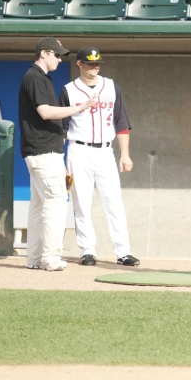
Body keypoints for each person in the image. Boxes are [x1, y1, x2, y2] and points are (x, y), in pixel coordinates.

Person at [19, 37, 98, 271]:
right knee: (55, 203)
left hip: (44, 151)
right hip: (42, 150)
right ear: (44, 53)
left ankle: (34, 259)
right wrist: (79, 108)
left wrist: (58, 157)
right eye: (56, 54)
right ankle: (49, 257)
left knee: (38, 205)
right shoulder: (34, 77)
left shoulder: (40, 78)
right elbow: (44, 112)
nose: (59, 59)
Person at [58, 47, 140, 267]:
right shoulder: (69, 90)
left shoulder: (110, 86)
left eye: (97, 63)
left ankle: (123, 252)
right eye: (90, 63)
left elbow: (122, 123)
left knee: (114, 201)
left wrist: (125, 154)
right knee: (81, 202)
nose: (94, 67)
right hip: (78, 150)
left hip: (105, 150)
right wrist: (60, 160)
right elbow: (62, 129)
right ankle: (87, 250)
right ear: (79, 65)